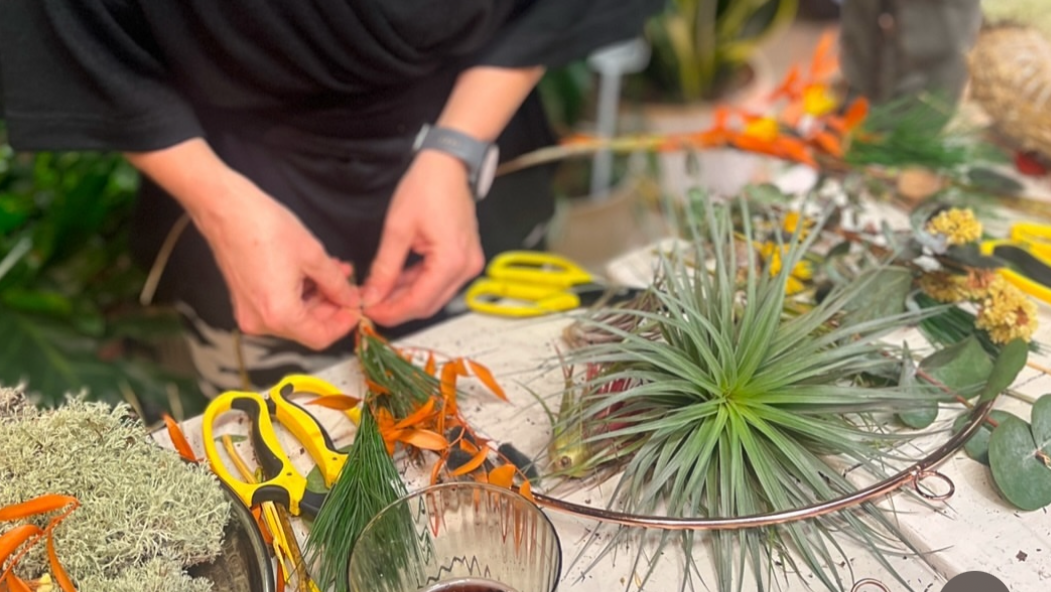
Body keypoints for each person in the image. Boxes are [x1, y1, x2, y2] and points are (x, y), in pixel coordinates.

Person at [0, 0, 663, 396]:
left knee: (507, 421)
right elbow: (63, 29)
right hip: (233, 194)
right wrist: (217, 205)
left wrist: (457, 150)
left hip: (480, 177)